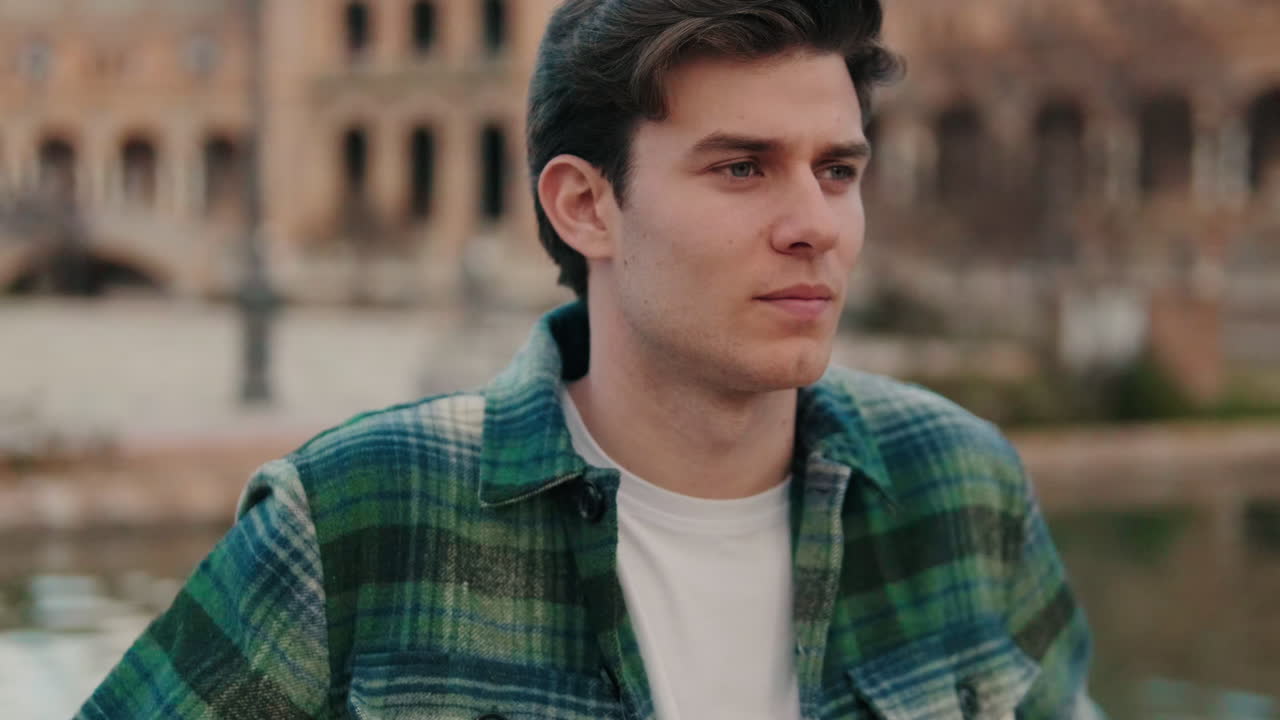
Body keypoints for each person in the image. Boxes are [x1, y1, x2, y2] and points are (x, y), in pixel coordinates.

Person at [78, 1, 1100, 718]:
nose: (814, 226)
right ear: (585, 204)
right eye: (741, 168)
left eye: (836, 170)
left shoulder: (960, 486)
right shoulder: (357, 518)